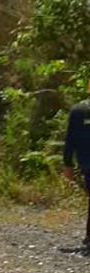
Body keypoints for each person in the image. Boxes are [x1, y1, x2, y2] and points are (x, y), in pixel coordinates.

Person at [62, 97, 90, 248]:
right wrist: (68, 164)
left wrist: (68, 164)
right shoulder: (80, 111)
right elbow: (70, 139)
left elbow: (70, 140)